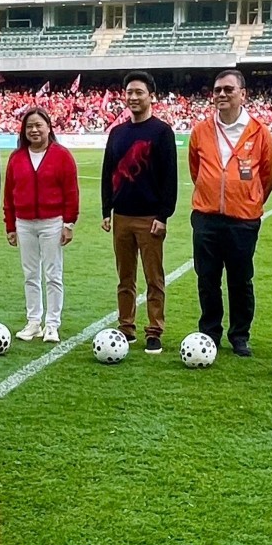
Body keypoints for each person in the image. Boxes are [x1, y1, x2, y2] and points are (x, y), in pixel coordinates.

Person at [187, 69, 272, 357]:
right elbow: (195, 169)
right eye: (217, 90)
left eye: (228, 89)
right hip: (206, 217)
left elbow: (268, 176)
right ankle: (210, 332)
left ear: (243, 94)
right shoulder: (201, 130)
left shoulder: (259, 131)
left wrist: (248, 200)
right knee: (207, 278)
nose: (222, 95)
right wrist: (210, 192)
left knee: (240, 280)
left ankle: (240, 335)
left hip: (243, 220)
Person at [100, 71, 178, 355]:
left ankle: (154, 330)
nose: (133, 97)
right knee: (125, 277)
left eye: (139, 92)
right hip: (121, 215)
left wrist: (163, 215)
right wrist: (106, 209)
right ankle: (126, 326)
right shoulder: (117, 133)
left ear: (150, 96)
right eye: (129, 92)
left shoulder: (162, 132)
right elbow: (107, 173)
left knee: (154, 277)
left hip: (150, 218)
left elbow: (170, 178)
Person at [3, 107, 79, 344]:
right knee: (30, 275)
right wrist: (10, 225)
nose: (34, 130)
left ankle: (52, 324)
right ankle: (34, 321)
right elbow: (8, 193)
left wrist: (69, 223)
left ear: (48, 127)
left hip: (52, 222)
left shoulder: (61, 155)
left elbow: (71, 191)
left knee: (53, 274)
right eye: (29, 127)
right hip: (24, 223)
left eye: (39, 125)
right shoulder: (17, 158)